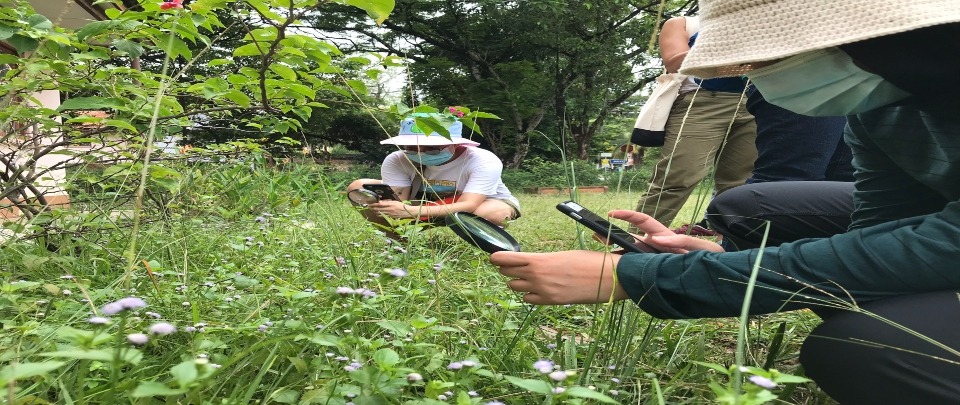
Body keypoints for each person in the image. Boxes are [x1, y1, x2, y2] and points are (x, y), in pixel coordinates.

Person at [491, 0, 960, 403]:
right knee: (752, 205)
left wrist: (639, 276)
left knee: (866, 347)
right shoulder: (879, 107)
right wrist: (733, 261)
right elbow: (884, 232)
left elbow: (944, 246)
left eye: (766, 60)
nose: (753, 77)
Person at [633, 15, 757, 230]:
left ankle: (730, 243)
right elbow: (674, 62)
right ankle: (635, 240)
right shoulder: (684, 23)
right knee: (678, 175)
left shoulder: (762, 18)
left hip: (754, 100)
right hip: (701, 101)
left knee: (740, 182)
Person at [704, 86, 855, 250]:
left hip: (853, 80)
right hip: (803, 77)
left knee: (842, 183)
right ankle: (740, 265)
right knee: (782, 186)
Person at [347, 113, 520, 237]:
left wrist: (411, 211)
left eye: (431, 148)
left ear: (455, 144)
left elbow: (468, 205)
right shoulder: (397, 159)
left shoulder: (482, 160)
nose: (420, 152)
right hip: (424, 205)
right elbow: (399, 200)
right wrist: (394, 207)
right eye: (412, 147)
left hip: (480, 204)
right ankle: (398, 240)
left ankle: (493, 242)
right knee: (359, 188)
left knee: (485, 213)